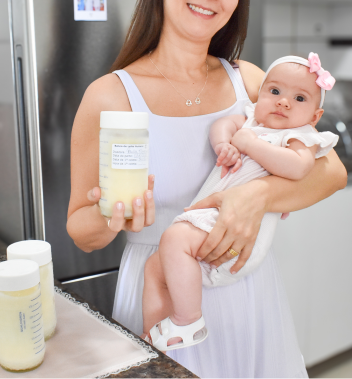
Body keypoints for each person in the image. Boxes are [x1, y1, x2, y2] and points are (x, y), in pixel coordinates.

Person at [67, 0, 347, 379]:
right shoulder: (111, 95)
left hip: (248, 294)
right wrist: (109, 214)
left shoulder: (254, 83)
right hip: (159, 295)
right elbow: (81, 229)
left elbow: (332, 172)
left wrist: (253, 197)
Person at [142, 53, 338, 352]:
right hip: (216, 218)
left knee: (175, 239)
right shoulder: (250, 120)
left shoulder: (300, 136)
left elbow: (299, 167)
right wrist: (224, 144)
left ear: (315, 116)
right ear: (259, 95)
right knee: (156, 268)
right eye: (274, 92)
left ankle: (188, 320)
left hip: (239, 233)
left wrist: (249, 144)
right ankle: (154, 339)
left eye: (299, 98)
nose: (284, 102)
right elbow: (222, 124)